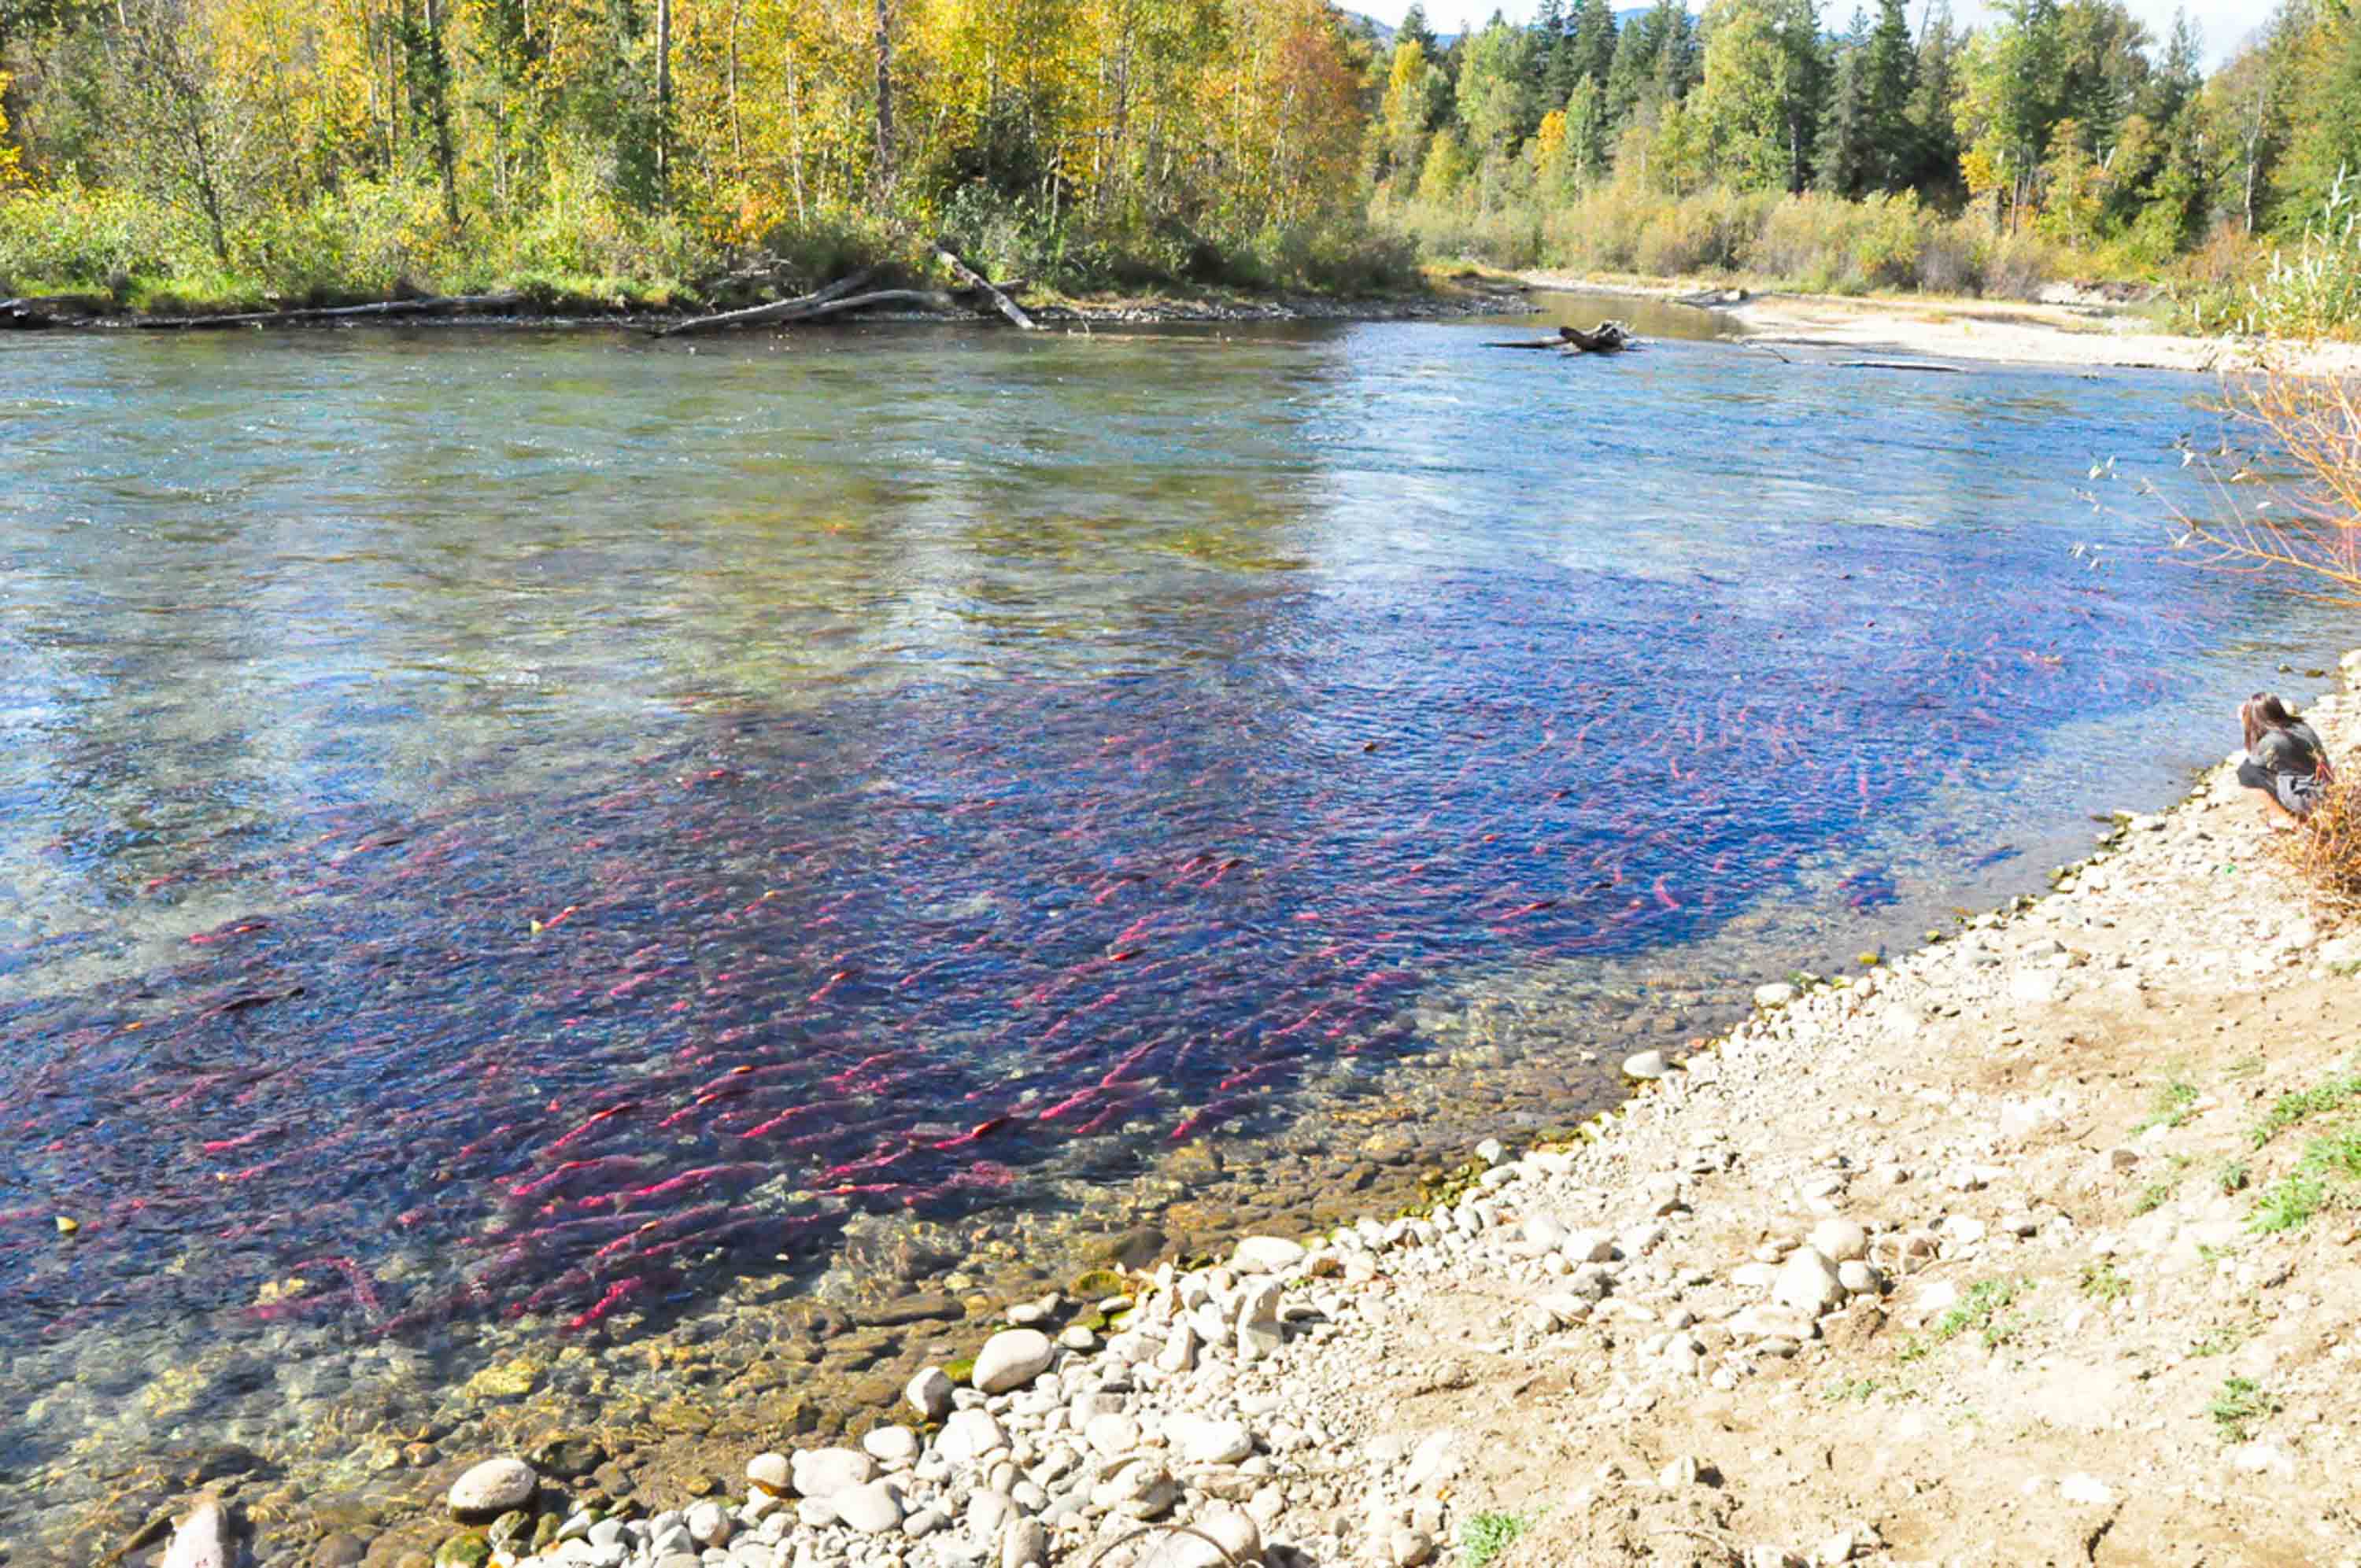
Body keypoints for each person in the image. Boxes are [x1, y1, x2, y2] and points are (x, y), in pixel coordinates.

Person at [2237, 692, 2333, 829]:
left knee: (2246, 773)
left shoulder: (2271, 741)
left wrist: (2244, 724)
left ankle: (2287, 820)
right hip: (2327, 787)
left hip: (2307, 798)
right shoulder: (2301, 726)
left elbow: (2253, 760)